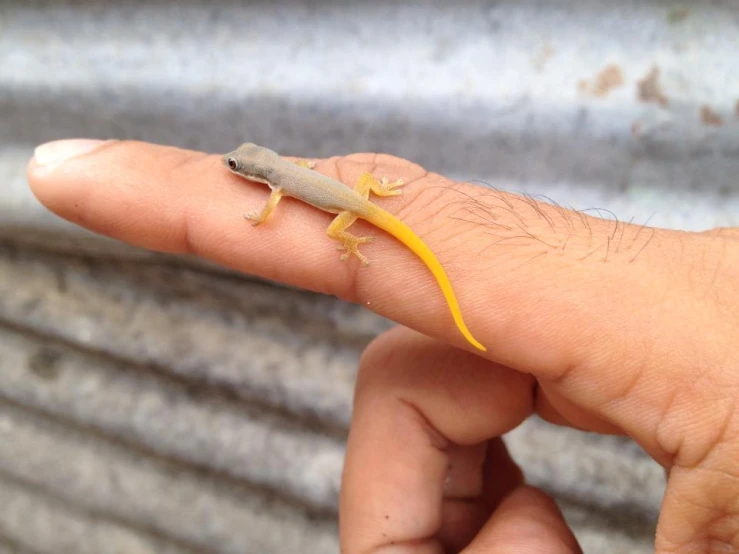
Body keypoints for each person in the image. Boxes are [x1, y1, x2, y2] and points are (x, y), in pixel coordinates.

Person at [28, 139, 739, 553]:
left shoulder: (274, 188)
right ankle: (387, 209)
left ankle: (382, 245)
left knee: (357, 238)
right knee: (383, 226)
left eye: (247, 170)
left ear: (260, 170)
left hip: (358, 219)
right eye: (251, 173)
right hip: (368, 198)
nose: (246, 173)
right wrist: (372, 193)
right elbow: (282, 194)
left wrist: (282, 215)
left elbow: (276, 209)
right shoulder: (278, 172)